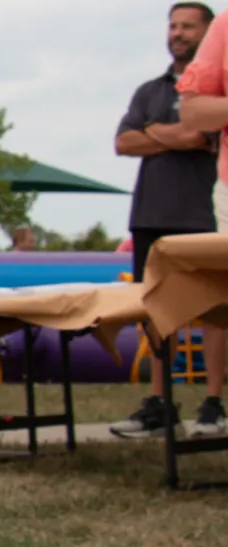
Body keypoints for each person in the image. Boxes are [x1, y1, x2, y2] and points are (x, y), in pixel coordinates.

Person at [112, 1, 224, 437]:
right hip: (151, 214)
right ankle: (161, 403)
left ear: (209, 33)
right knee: (156, 311)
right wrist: (172, 136)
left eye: (188, 26)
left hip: (201, 212)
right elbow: (122, 142)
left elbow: (200, 133)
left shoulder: (215, 88)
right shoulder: (149, 91)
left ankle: (213, 402)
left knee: (215, 310)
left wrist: (154, 133)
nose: (178, 33)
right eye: (173, 26)